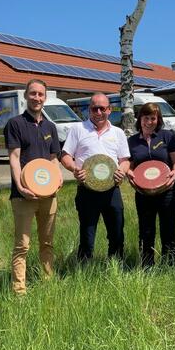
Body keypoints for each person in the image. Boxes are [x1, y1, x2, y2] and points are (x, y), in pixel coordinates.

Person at [3, 79, 61, 294]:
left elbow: (54, 158)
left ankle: (48, 281)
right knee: (22, 245)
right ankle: (19, 290)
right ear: (26, 96)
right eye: (33, 93)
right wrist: (20, 186)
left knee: (47, 242)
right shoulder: (15, 124)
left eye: (41, 94)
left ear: (45, 98)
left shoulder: (50, 127)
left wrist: (58, 177)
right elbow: (15, 158)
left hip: (49, 195)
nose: (37, 98)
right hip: (23, 196)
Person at [61, 92, 130, 261]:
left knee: (117, 233)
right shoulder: (77, 129)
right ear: (89, 110)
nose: (98, 112)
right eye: (94, 108)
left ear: (109, 109)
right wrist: (74, 168)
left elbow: (125, 160)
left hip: (112, 190)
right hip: (86, 191)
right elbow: (65, 156)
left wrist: (122, 170)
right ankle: (84, 272)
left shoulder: (118, 132)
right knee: (87, 235)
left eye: (102, 108)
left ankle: (116, 268)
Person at [127, 102, 175, 267]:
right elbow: (129, 165)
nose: (149, 121)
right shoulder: (132, 141)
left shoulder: (167, 136)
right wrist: (129, 173)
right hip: (143, 194)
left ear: (158, 120)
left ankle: (170, 265)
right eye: (146, 117)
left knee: (169, 229)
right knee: (146, 230)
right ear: (140, 119)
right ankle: (147, 266)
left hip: (168, 191)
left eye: (153, 118)